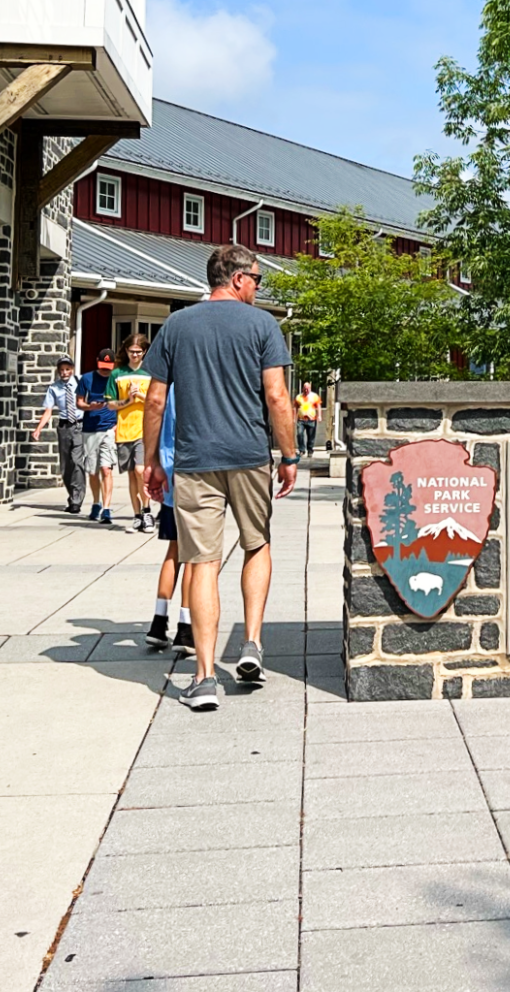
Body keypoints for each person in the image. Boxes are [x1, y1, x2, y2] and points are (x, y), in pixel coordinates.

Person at [143, 244, 297, 711]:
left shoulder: (176, 325)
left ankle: (205, 677)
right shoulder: (263, 326)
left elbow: (154, 400)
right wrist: (288, 454)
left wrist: (151, 462)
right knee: (257, 545)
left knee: (202, 562)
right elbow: (276, 395)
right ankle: (252, 644)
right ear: (236, 278)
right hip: (249, 455)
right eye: (256, 279)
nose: (258, 287)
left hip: (194, 459)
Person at [143, 390, 193, 654]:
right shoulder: (196, 378)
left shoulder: (165, 386)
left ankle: (158, 621)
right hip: (195, 473)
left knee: (173, 551)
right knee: (195, 557)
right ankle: (186, 627)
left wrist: (153, 462)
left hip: (169, 471)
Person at [29, 355, 84, 516]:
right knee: (66, 465)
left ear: (72, 369)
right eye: (61, 370)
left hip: (80, 425)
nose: (65, 373)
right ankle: (72, 494)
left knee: (77, 462)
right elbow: (48, 411)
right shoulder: (54, 388)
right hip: (64, 426)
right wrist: (38, 428)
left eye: (67, 369)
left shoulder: (80, 382)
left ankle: (76, 500)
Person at [109, 336, 154, 532]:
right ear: (125, 351)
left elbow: (157, 401)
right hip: (124, 429)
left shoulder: (151, 372)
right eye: (131, 351)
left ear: (144, 351)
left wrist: (140, 396)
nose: (135, 354)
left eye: (138, 351)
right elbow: (110, 403)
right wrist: (128, 399)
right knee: (131, 475)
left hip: (145, 429)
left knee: (141, 471)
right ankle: (137, 516)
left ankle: (147, 511)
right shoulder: (117, 374)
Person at [75, 348, 117, 523]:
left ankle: (107, 508)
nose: (105, 370)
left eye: (109, 367)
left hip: (109, 428)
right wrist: (89, 406)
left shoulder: (116, 380)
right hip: (90, 428)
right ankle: (96, 502)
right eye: (103, 366)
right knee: (92, 471)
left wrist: (117, 426)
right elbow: (79, 402)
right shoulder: (87, 378)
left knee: (106, 469)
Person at [295, 381, 322, 463]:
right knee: (299, 434)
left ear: (310, 388)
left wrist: (319, 416)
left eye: (307, 389)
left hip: (311, 419)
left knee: (311, 437)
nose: (306, 390)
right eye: (305, 388)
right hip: (301, 419)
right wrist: (294, 417)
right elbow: (296, 407)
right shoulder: (298, 397)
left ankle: (310, 450)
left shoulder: (314, 396)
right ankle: (302, 450)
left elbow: (318, 406)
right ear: (303, 388)